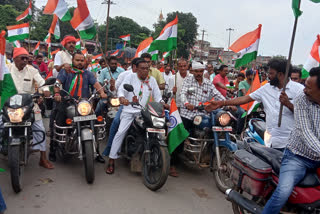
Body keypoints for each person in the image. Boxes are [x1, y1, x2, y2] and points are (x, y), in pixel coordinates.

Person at [207, 59, 304, 150]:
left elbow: (305, 115)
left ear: (281, 74)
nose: (268, 76)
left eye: (271, 73)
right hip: (270, 142)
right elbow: (246, 98)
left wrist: (288, 104)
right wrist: (222, 103)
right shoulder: (267, 88)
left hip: (291, 144)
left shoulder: (299, 90)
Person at [262, 67, 320, 213]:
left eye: (309, 87)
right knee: (283, 191)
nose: (304, 90)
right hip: (297, 157)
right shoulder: (302, 99)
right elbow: (304, 131)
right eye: (305, 85)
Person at [105, 59, 165, 174]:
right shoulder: (130, 77)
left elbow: (157, 96)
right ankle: (112, 159)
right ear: (136, 68)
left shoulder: (151, 80)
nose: (145, 71)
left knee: (157, 129)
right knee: (121, 132)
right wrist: (122, 98)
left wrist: (163, 103)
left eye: (147, 68)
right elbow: (122, 90)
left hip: (144, 111)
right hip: (129, 111)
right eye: (142, 68)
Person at [170, 61, 227, 177]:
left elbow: (218, 95)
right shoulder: (188, 80)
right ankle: (172, 164)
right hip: (188, 113)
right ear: (192, 71)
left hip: (202, 114)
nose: (199, 73)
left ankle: (207, 154)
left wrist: (227, 103)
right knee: (180, 137)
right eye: (196, 71)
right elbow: (182, 94)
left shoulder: (208, 83)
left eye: (201, 71)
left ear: (203, 71)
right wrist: (186, 103)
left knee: (214, 126)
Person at [49, 51, 107, 162]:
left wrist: (102, 92)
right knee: (57, 122)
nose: (80, 62)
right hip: (67, 102)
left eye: (82, 60)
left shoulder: (88, 74)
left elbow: (97, 84)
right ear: (72, 61)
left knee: (95, 125)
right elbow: (57, 83)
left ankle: (96, 151)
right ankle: (53, 148)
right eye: (77, 60)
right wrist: (57, 94)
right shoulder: (66, 71)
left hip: (84, 104)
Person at [5, 47, 53, 169]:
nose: (25, 60)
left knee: (40, 129)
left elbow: (42, 83)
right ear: (15, 58)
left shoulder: (32, 70)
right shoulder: (6, 69)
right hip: (9, 105)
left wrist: (46, 90)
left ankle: (43, 158)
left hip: (30, 104)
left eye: (27, 58)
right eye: (23, 58)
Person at [101, 58, 141, 157]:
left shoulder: (148, 77)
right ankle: (110, 149)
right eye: (143, 67)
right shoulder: (124, 75)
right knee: (116, 122)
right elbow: (115, 91)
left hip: (142, 108)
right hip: (126, 107)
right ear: (135, 66)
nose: (145, 69)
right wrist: (112, 87)